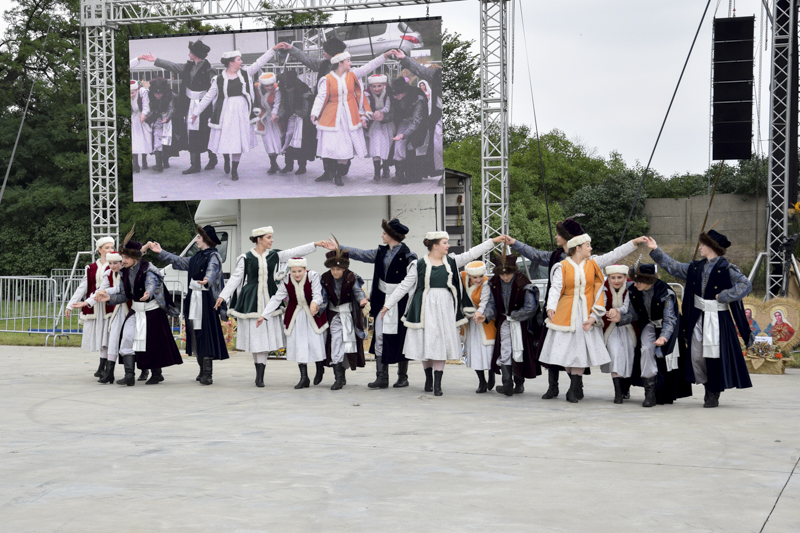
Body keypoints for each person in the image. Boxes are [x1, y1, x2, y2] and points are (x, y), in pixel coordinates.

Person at [380, 233, 504, 396]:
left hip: (445, 308)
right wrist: (387, 305)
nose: (448, 245)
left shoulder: (452, 261)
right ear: (435, 245)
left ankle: (437, 384)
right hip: (424, 308)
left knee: (440, 344)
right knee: (426, 342)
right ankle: (428, 379)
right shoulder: (418, 265)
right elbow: (404, 286)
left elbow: (473, 253)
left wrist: (492, 241)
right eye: (445, 243)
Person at [646, 230, 753, 407]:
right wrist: (656, 249)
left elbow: (745, 285)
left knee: (715, 355)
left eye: (703, 244)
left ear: (712, 247)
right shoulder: (695, 267)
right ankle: (706, 385)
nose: (700, 247)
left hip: (718, 319)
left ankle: (713, 391)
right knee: (697, 355)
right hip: (698, 318)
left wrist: (725, 295)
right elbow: (674, 266)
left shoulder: (727, 268)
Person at [540, 233, 647, 403]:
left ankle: (573, 389)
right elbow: (556, 288)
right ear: (578, 248)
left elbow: (614, 255)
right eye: (588, 245)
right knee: (566, 352)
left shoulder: (593, 263)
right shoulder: (562, 266)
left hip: (588, 313)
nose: (590, 248)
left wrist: (633, 243)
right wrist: (551, 306)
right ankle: (575, 385)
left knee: (580, 352)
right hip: (566, 313)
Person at [215, 228, 325, 388]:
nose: (272, 240)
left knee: (265, 339)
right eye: (269, 237)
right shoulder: (245, 258)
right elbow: (236, 278)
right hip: (251, 300)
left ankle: (262, 376)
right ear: (259, 239)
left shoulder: (275, 255)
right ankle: (259, 377)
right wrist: (223, 296)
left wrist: (315, 244)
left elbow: (296, 251)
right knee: (256, 338)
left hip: (271, 299)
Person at [503, 217, 585, 400]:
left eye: (559, 234)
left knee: (573, 349)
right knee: (551, 347)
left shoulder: (582, 258)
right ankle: (553, 387)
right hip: (553, 310)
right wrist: (514, 243)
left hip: (574, 310)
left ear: (567, 237)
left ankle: (576, 387)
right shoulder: (555, 256)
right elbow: (536, 255)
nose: (556, 237)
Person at [333, 219, 417, 390]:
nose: (382, 235)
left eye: (384, 233)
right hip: (381, 301)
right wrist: (338, 247)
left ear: (393, 235)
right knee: (379, 335)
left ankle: (403, 377)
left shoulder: (409, 255)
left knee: (401, 336)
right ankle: (382, 377)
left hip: (400, 302)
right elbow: (361, 254)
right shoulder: (380, 252)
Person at [94, 231, 183, 386]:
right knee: (127, 338)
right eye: (123, 257)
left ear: (135, 257)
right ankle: (129, 376)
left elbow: (151, 283)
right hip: (136, 310)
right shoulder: (125, 272)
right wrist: (110, 298)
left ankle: (157, 374)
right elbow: (123, 295)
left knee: (153, 344)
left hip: (152, 311)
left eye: (126, 258)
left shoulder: (149, 269)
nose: (123, 260)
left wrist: (148, 293)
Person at [146, 226, 229, 386]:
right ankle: (201, 370)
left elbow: (212, 271)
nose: (196, 239)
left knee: (205, 333)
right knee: (194, 332)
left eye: (198, 237)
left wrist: (207, 279)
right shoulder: (196, 257)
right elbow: (179, 261)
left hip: (205, 299)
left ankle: (207, 374)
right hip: (193, 297)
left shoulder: (214, 256)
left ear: (205, 239)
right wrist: (161, 251)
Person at [191, 48, 278, 181]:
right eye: (238, 60)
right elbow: (209, 96)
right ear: (231, 63)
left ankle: (234, 170)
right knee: (226, 139)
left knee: (237, 141)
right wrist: (196, 113)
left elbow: (259, 62)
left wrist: (273, 50)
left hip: (241, 112)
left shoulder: (245, 73)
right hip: (225, 112)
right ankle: (226, 159)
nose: (241, 62)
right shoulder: (219, 79)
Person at [310, 50, 392, 186]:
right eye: (348, 61)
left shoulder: (352, 74)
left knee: (346, 148)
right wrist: (314, 112)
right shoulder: (327, 79)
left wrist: (384, 56)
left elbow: (369, 66)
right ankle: (332, 172)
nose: (350, 63)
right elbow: (321, 97)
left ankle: (339, 175)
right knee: (332, 147)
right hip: (332, 117)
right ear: (340, 63)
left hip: (350, 116)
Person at [139, 39, 219, 174]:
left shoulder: (209, 69)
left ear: (196, 53)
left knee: (207, 132)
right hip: (189, 104)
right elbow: (173, 66)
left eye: (190, 52)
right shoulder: (188, 67)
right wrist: (156, 60)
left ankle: (212, 158)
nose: (189, 54)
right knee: (191, 132)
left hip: (204, 106)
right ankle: (195, 164)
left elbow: (216, 86)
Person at [277, 37, 348, 183]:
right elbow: (307, 59)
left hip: (339, 111)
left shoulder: (345, 68)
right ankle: (328, 171)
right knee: (322, 140)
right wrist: (291, 48)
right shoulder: (323, 65)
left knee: (338, 141)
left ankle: (340, 170)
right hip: (323, 110)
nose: (323, 53)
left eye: (325, 51)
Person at [623, 263, 692, 407]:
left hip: (669, 328)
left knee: (665, 358)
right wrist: (620, 318)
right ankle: (650, 393)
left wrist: (664, 336)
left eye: (639, 281)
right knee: (646, 349)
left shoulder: (665, 293)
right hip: (649, 324)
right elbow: (634, 314)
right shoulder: (634, 290)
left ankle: (665, 394)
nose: (635, 284)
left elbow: (670, 319)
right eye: (635, 281)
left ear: (649, 280)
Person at [258, 257, 328, 389]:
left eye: (300, 271)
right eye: (294, 271)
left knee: (315, 343)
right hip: (295, 315)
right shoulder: (286, 279)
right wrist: (264, 315)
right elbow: (277, 298)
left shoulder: (312, 276)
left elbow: (318, 295)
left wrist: (314, 303)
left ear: (305, 269)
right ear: (290, 270)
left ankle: (320, 368)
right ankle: (304, 378)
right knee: (299, 345)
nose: (297, 274)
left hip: (312, 314)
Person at [480, 251, 540, 397]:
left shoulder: (523, 282)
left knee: (520, 351)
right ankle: (507, 383)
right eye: (502, 274)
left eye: (508, 274)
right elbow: (492, 303)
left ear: (514, 271)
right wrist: (485, 315)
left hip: (521, 323)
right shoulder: (494, 282)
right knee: (505, 349)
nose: (505, 277)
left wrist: (515, 315)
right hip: (504, 322)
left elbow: (531, 307)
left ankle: (519, 384)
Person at [71, 251, 126, 384]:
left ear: (121, 262)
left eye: (115, 263)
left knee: (134, 340)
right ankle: (109, 373)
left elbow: (119, 288)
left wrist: (105, 291)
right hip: (117, 309)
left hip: (132, 309)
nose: (112, 266)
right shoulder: (108, 274)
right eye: (110, 263)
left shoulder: (128, 273)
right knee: (112, 339)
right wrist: (86, 302)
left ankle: (150, 370)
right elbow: (99, 290)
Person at [319, 245, 368, 390]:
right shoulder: (325, 278)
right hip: (333, 315)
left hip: (349, 314)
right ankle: (338, 378)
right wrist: (317, 308)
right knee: (336, 342)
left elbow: (358, 291)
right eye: (333, 269)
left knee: (348, 344)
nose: (335, 272)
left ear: (344, 268)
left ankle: (343, 374)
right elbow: (324, 297)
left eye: (338, 269)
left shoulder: (352, 277)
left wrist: (362, 300)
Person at [66, 236, 115, 379]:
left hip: (110, 306)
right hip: (95, 307)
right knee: (101, 338)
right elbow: (83, 287)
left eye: (112, 247)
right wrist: (71, 304)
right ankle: (102, 367)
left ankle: (104, 368)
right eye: (107, 247)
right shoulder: (91, 267)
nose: (110, 250)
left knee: (109, 337)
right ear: (99, 250)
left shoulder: (115, 265)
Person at [395, 49, 444, 185]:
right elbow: (419, 69)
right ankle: (443, 171)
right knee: (438, 146)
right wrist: (404, 58)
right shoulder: (436, 75)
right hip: (438, 115)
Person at [600, 265, 636, 404]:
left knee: (628, 357)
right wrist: (608, 312)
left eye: (619, 277)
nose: (616, 280)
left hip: (627, 327)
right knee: (615, 355)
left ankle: (625, 389)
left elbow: (627, 307)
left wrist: (616, 311)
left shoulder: (630, 287)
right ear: (608, 277)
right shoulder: (603, 287)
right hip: (611, 328)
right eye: (613, 277)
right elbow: (601, 304)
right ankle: (618, 393)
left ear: (624, 277)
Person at [459, 261, 497, 393]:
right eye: (475, 277)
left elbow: (485, 301)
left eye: (481, 276)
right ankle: (482, 381)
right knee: (474, 352)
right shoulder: (462, 277)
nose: (479, 279)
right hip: (470, 322)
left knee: (488, 351)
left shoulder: (486, 283)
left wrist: (479, 313)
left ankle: (491, 374)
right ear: (469, 276)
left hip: (483, 320)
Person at [387, 76, 429, 184]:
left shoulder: (417, 97)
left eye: (397, 95)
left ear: (403, 92)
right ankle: (400, 174)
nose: (395, 97)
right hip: (404, 122)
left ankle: (414, 175)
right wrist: (382, 117)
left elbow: (417, 121)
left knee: (413, 148)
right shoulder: (395, 98)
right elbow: (393, 114)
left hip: (419, 125)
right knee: (398, 146)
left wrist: (403, 135)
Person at [364, 74, 396, 181]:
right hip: (374, 124)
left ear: (384, 85)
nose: (376, 89)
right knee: (376, 146)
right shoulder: (367, 94)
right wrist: (371, 115)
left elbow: (388, 107)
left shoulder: (389, 93)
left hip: (387, 123)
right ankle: (377, 172)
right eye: (374, 86)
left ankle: (386, 168)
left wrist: (380, 113)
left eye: (379, 86)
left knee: (386, 146)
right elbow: (366, 107)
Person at [253, 72, 284, 175]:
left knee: (277, 140)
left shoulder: (277, 89)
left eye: (271, 85)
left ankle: (275, 163)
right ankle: (273, 163)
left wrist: (274, 114)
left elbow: (277, 103)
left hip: (274, 119)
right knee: (267, 141)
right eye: (267, 85)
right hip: (262, 117)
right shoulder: (256, 87)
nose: (270, 87)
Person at [145, 78, 176, 173]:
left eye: (160, 93)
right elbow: (150, 108)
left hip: (168, 119)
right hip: (157, 118)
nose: (157, 95)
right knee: (157, 138)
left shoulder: (170, 95)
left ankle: (165, 161)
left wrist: (167, 118)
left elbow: (172, 108)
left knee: (167, 139)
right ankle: (159, 163)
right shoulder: (150, 96)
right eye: (156, 93)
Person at [129, 78, 152, 173]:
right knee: (134, 141)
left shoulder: (143, 92)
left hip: (142, 117)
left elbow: (146, 105)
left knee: (144, 139)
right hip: (133, 117)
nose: (130, 95)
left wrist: (143, 115)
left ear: (136, 90)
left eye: (132, 93)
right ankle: (135, 164)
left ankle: (144, 161)